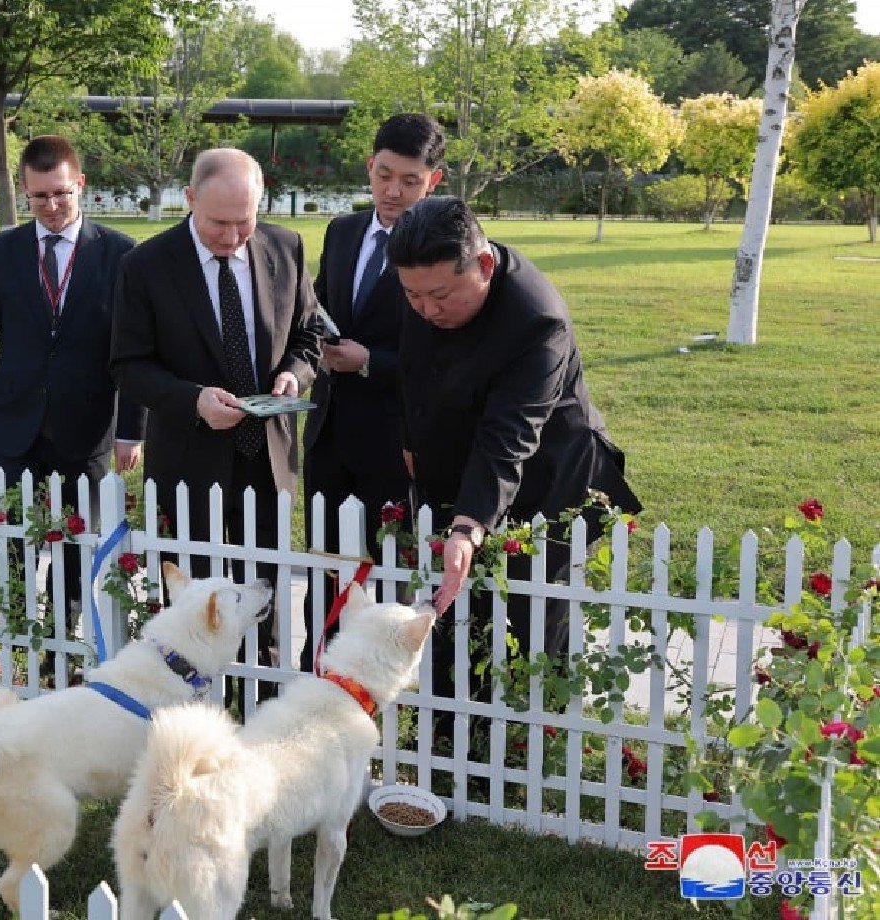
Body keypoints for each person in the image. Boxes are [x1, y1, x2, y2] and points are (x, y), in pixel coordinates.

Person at [390, 195, 642, 729]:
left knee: (526, 622)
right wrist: (414, 443)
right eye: (412, 296)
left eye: (439, 296)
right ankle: (447, 736)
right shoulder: (425, 287)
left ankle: (519, 744)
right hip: (464, 470)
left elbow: (510, 435)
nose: (426, 310)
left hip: (546, 484)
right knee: (452, 613)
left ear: (483, 266)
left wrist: (468, 523)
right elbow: (414, 371)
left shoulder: (536, 319)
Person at [110, 148, 321, 694]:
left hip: (269, 458)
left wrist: (294, 376)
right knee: (195, 602)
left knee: (264, 591)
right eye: (218, 223)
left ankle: (264, 702)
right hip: (189, 462)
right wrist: (193, 399)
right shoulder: (146, 265)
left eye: (243, 221)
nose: (232, 237)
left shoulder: (285, 246)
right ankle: (197, 708)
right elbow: (128, 366)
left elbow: (309, 335)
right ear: (190, 200)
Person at [0, 135, 144, 630]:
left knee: (75, 550)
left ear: (80, 184)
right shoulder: (2, 251)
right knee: (14, 542)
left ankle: (62, 644)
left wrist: (130, 429)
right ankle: (18, 644)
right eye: (39, 196)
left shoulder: (121, 253)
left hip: (87, 432)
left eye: (61, 193)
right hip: (12, 428)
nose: (51, 206)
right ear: (24, 191)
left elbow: (136, 350)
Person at [300, 113, 445, 671]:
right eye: (384, 175)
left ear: (433, 180)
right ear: (369, 166)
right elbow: (317, 306)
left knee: (388, 576)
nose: (393, 191)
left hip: (398, 437)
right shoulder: (342, 232)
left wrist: (371, 363)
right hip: (330, 430)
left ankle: (382, 684)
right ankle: (319, 672)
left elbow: (445, 354)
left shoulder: (443, 244)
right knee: (327, 566)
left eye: (410, 180)